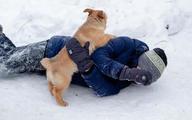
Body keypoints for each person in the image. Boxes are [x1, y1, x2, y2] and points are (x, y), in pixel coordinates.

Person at [0, 24, 167, 97]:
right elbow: (99, 54)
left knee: (10, 57)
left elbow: (105, 90)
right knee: (5, 64)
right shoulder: (126, 44)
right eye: (141, 71)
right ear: (141, 61)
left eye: (145, 79)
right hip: (55, 51)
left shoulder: (129, 79)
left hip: (57, 71)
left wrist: (88, 70)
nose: (138, 78)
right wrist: (124, 71)